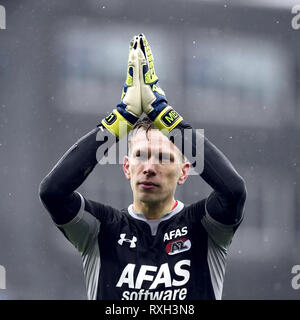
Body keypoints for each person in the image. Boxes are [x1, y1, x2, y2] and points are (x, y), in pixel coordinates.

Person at [39, 34, 247, 300]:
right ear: (127, 167)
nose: (149, 167)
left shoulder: (204, 227)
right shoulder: (101, 229)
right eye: (140, 156)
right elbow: (52, 192)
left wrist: (162, 113)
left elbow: (234, 191)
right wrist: (122, 117)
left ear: (185, 171)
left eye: (162, 157)